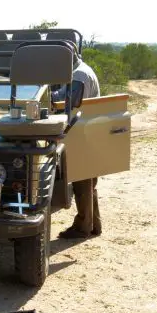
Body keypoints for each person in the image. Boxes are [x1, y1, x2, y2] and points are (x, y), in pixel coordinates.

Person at [52, 57, 102, 239]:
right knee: (89, 182)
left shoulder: (79, 74)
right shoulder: (82, 70)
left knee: (82, 182)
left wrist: (46, 95)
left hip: (82, 131)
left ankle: (82, 227)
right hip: (88, 128)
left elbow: (70, 100)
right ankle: (93, 224)